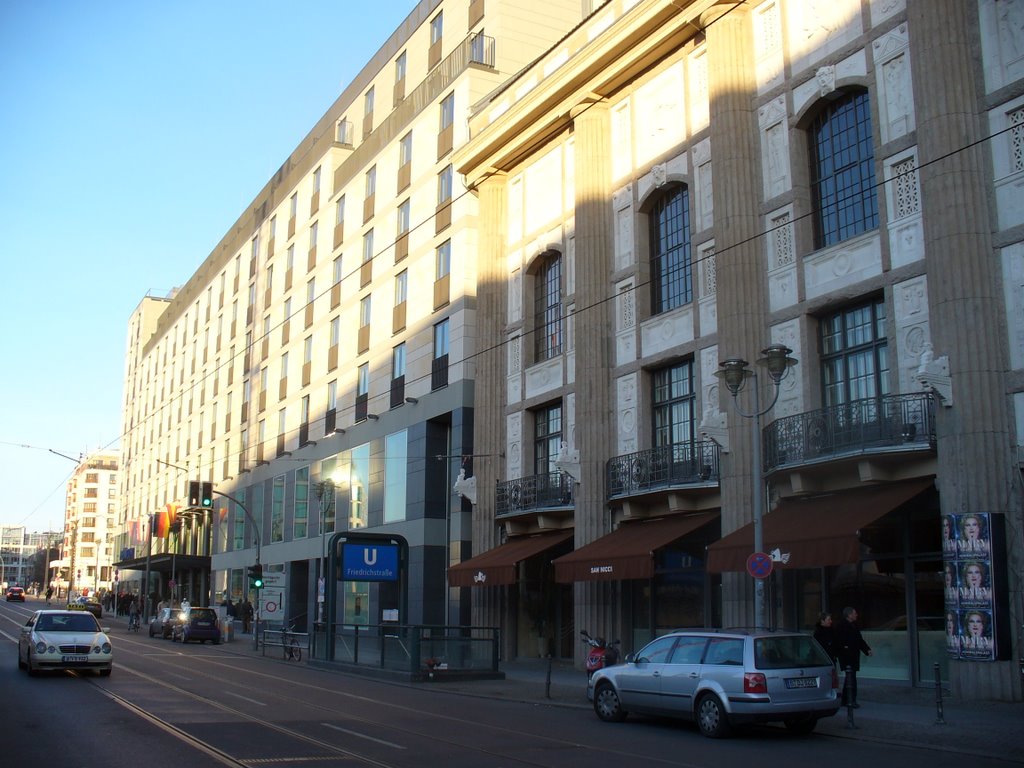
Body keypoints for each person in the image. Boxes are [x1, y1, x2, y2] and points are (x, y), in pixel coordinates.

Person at [835, 606, 872, 708]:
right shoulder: (841, 626)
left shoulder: (854, 625)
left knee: (850, 678)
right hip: (847, 656)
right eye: (854, 613)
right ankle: (850, 700)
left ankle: (846, 700)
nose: (856, 615)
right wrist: (844, 649)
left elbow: (859, 640)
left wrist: (867, 650)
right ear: (849, 615)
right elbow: (839, 642)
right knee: (851, 678)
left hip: (853, 656)